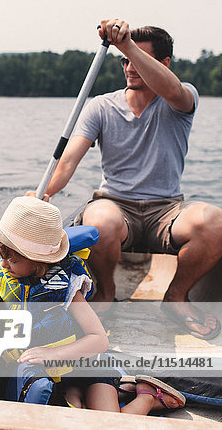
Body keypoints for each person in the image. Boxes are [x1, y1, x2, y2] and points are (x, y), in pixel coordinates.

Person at [30, 19, 222, 340]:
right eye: (123, 60)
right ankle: (106, 294)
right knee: (99, 221)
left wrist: (125, 44)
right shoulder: (102, 107)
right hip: (115, 206)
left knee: (215, 222)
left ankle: (175, 297)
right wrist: (42, 194)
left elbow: (173, 89)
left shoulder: (182, 99)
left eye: (137, 59)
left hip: (167, 211)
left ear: (163, 64)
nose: (129, 67)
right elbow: (67, 163)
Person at [0, 195, 185, 415]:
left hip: (83, 362)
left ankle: (146, 397)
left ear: (39, 261)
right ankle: (99, 393)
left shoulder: (68, 289)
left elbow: (99, 339)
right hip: (48, 374)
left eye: (12, 259)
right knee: (71, 409)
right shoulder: (3, 273)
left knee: (109, 422)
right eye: (2, 256)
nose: (3, 265)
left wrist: (52, 354)